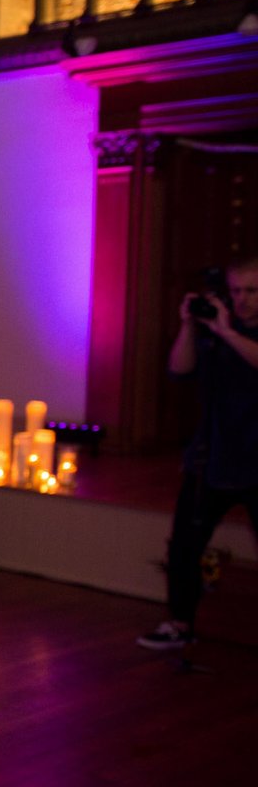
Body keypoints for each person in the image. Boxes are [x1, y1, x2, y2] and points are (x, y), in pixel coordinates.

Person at [137, 257, 258, 650]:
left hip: (256, 457)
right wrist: (190, 326)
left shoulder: (229, 333)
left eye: (252, 291)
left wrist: (227, 333)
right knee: (184, 545)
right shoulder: (214, 330)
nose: (242, 299)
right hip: (212, 455)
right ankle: (179, 623)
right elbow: (179, 369)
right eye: (236, 290)